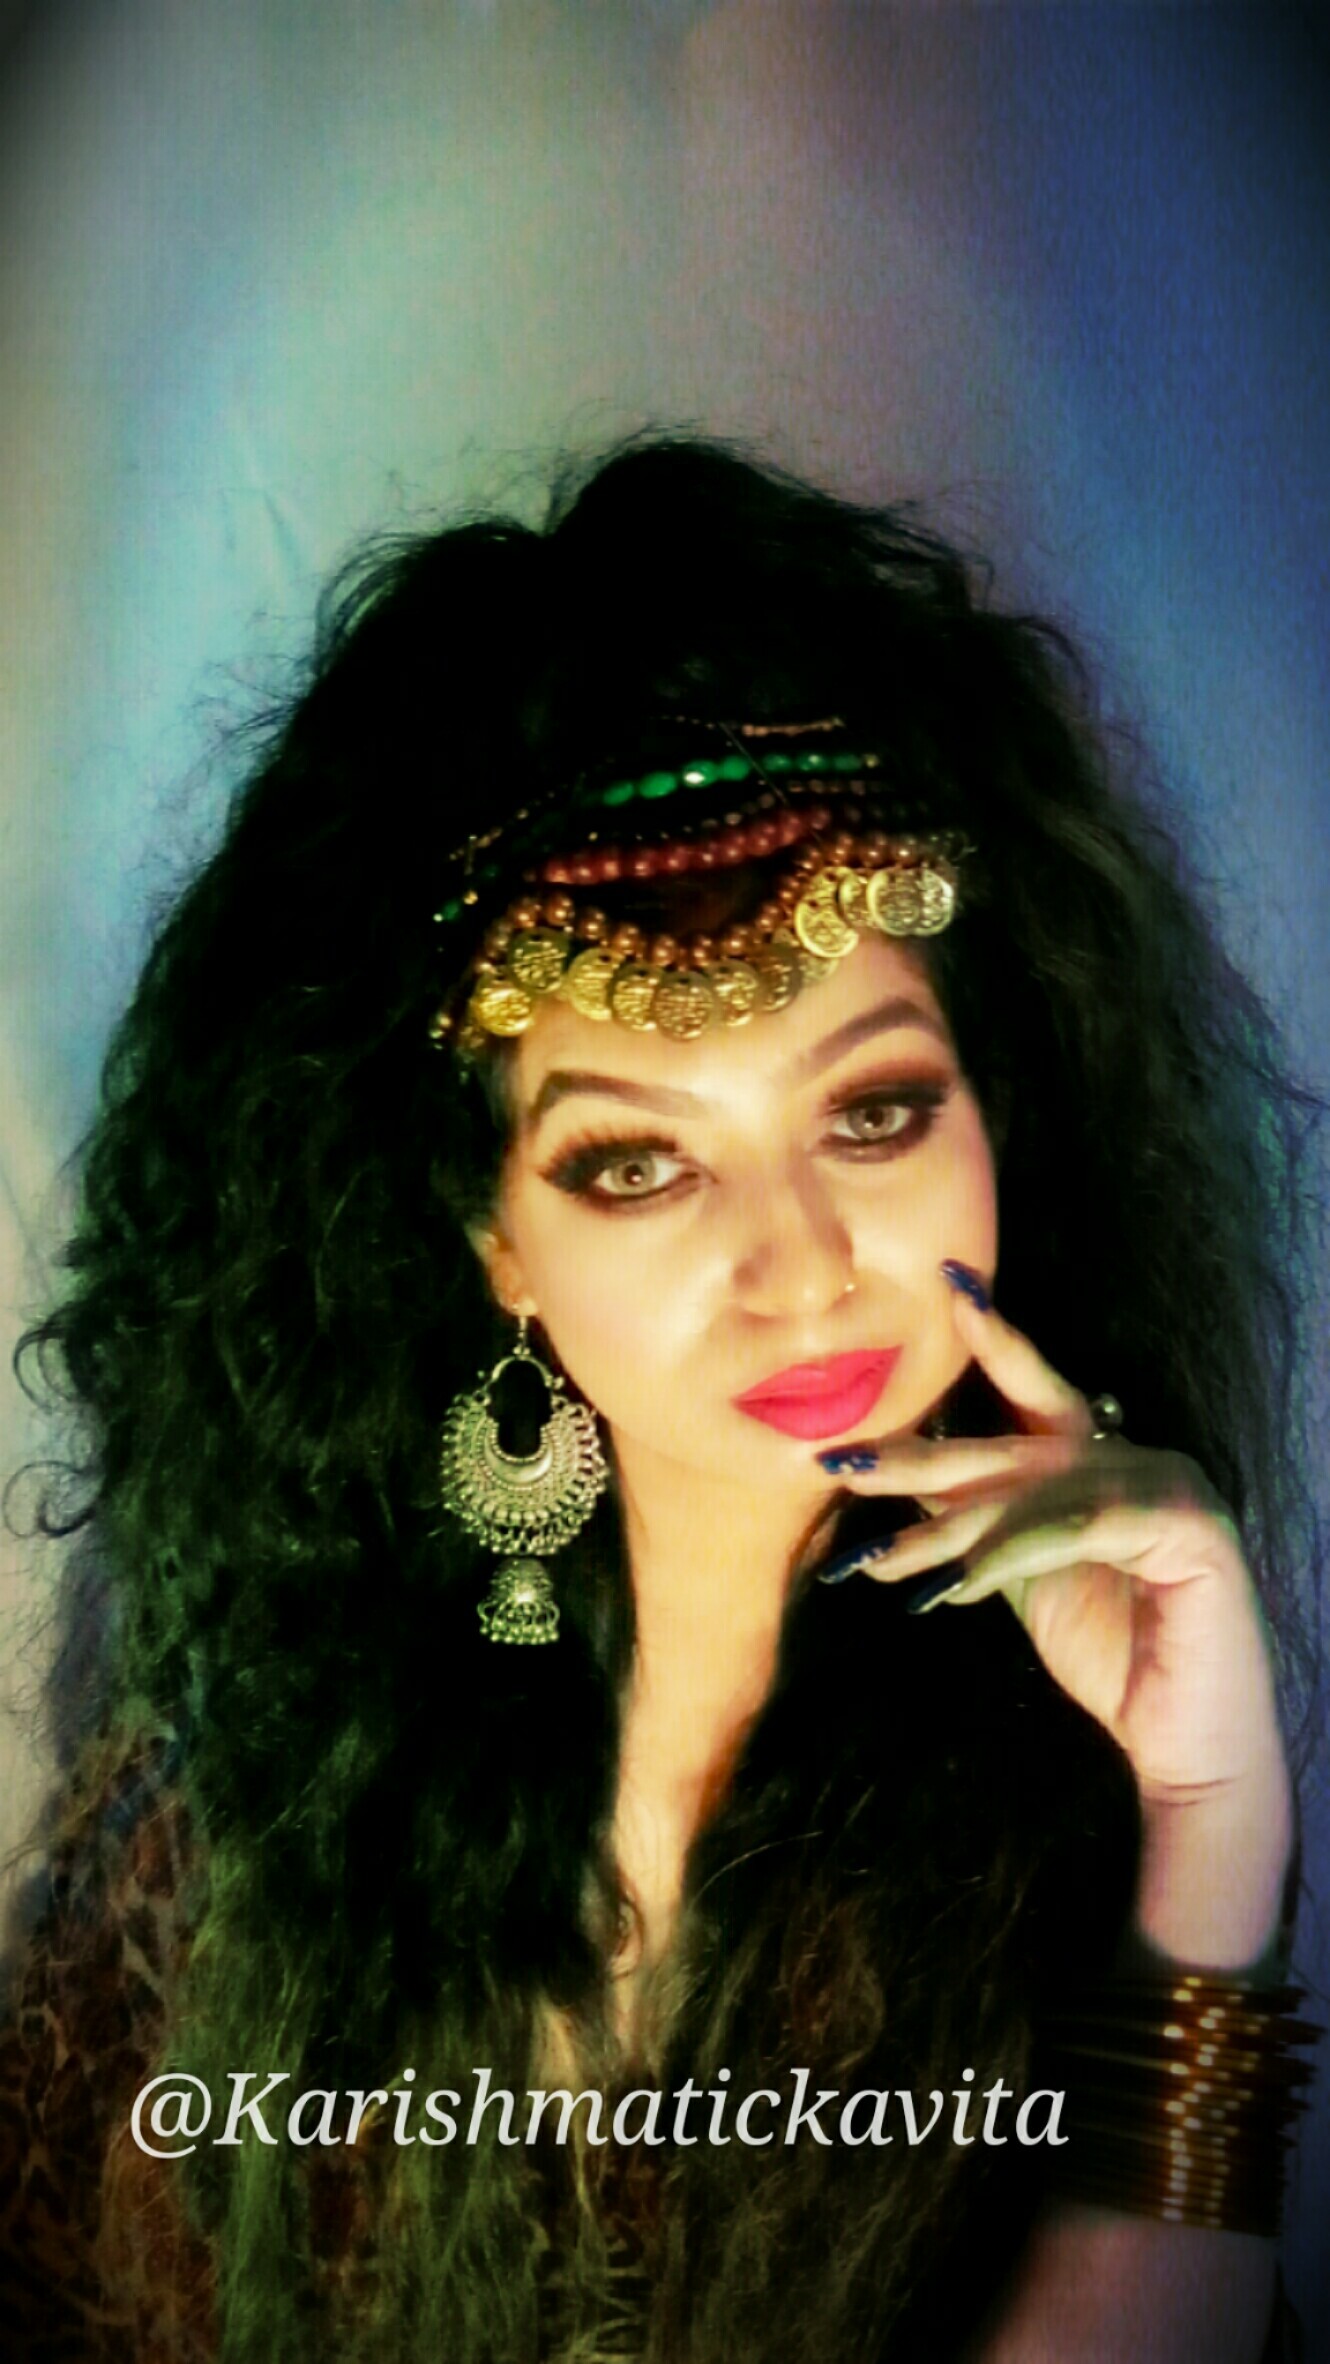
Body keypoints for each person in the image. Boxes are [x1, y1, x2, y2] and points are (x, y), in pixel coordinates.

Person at [0, 433, 1319, 2363]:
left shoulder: (1067, 1792)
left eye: (873, 1111)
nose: (798, 1262)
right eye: (638, 1163)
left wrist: (1213, 1834)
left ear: (996, 1118)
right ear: (495, 1245)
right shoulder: (257, 1806)